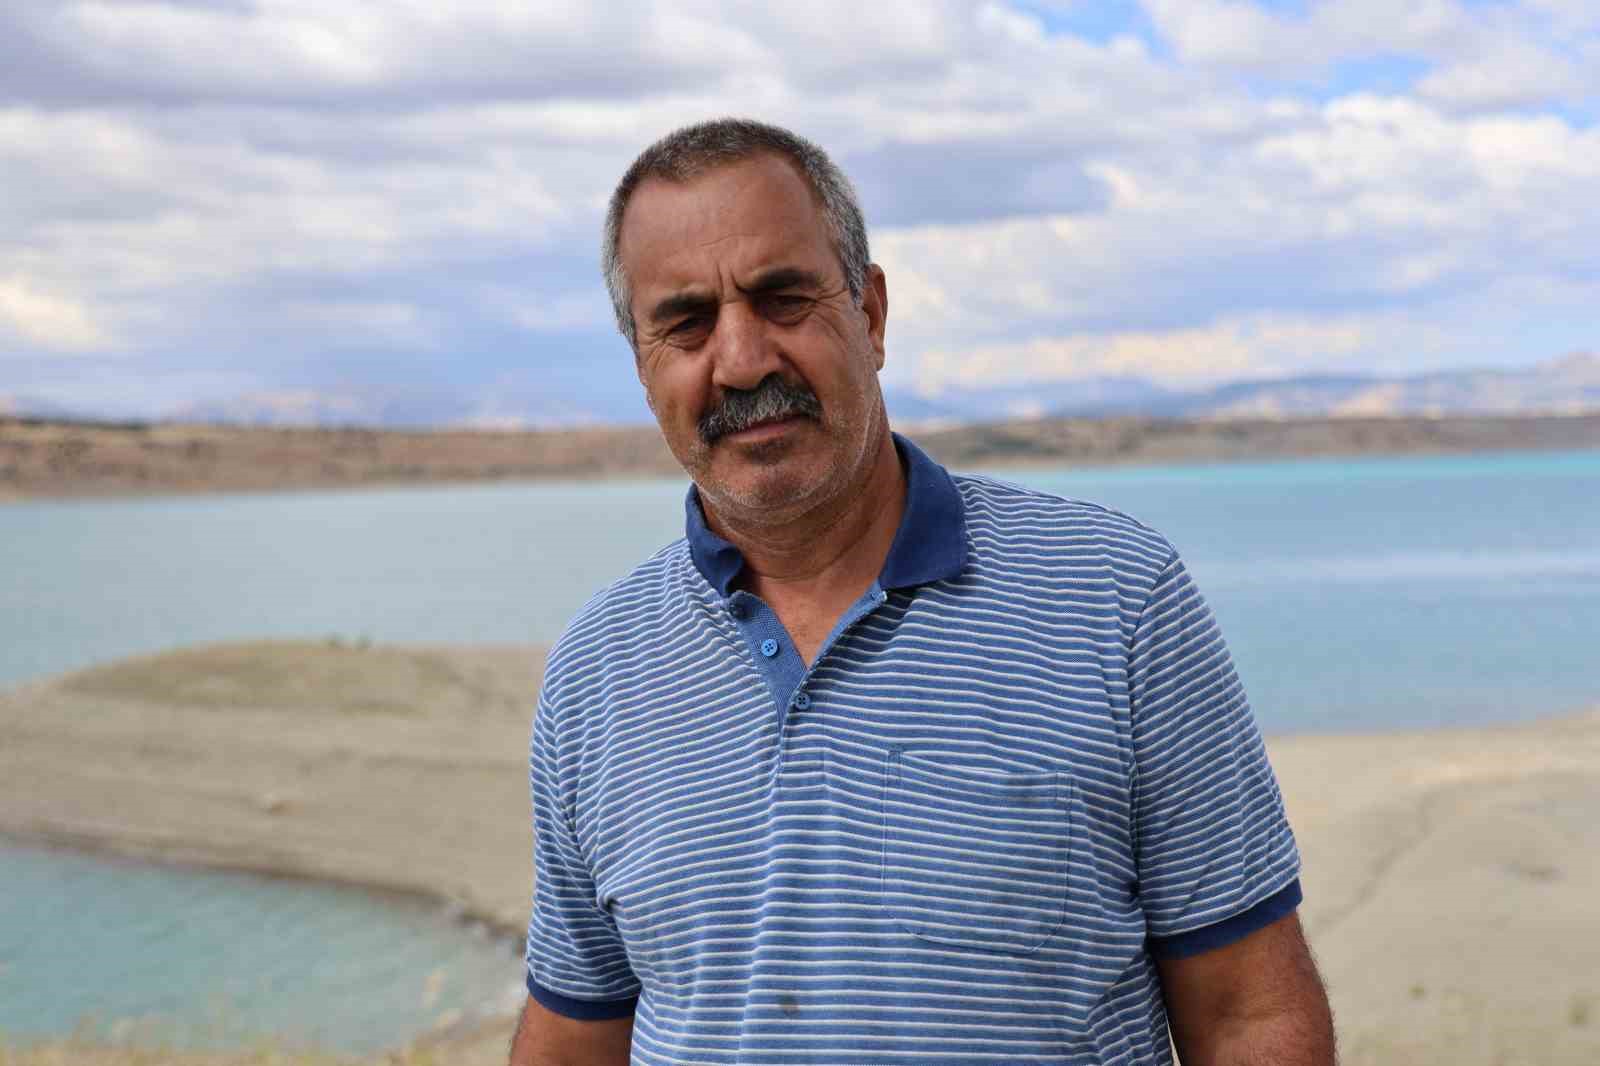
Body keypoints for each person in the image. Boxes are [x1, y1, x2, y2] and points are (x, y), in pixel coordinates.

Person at [508, 118, 1336, 1066]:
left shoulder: (1115, 598)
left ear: (869, 315)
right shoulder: (598, 669)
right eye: (687, 323)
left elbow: (1249, 1016)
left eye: (783, 299)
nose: (741, 360)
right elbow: (574, 1038)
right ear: (643, 365)